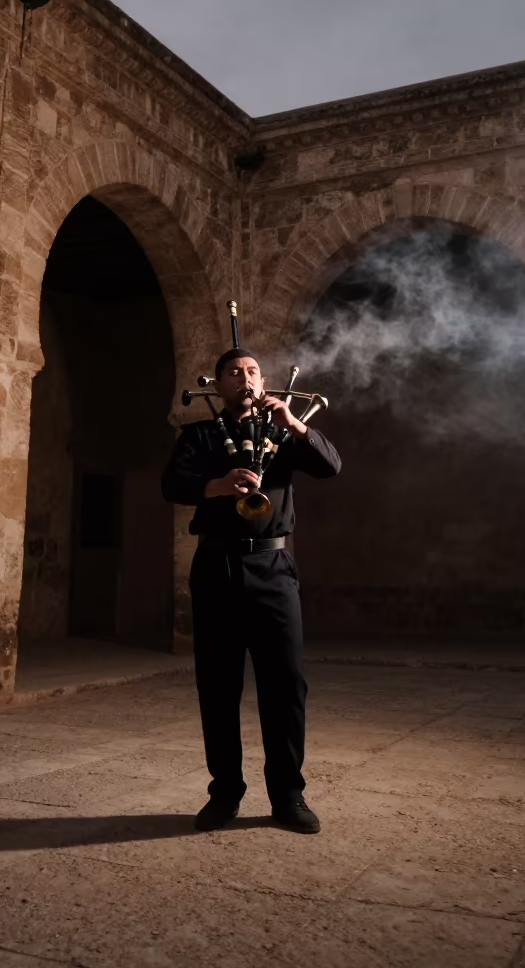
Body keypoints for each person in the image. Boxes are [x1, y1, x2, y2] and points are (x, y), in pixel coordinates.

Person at [161, 347, 341, 833]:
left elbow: (331, 465)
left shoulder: (283, 430)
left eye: (254, 371)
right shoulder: (199, 434)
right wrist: (217, 485)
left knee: (285, 685)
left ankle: (289, 797)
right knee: (218, 684)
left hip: (273, 565)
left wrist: (293, 422)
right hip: (216, 563)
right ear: (218, 385)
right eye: (235, 372)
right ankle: (225, 795)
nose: (246, 378)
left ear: (264, 382)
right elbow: (171, 483)